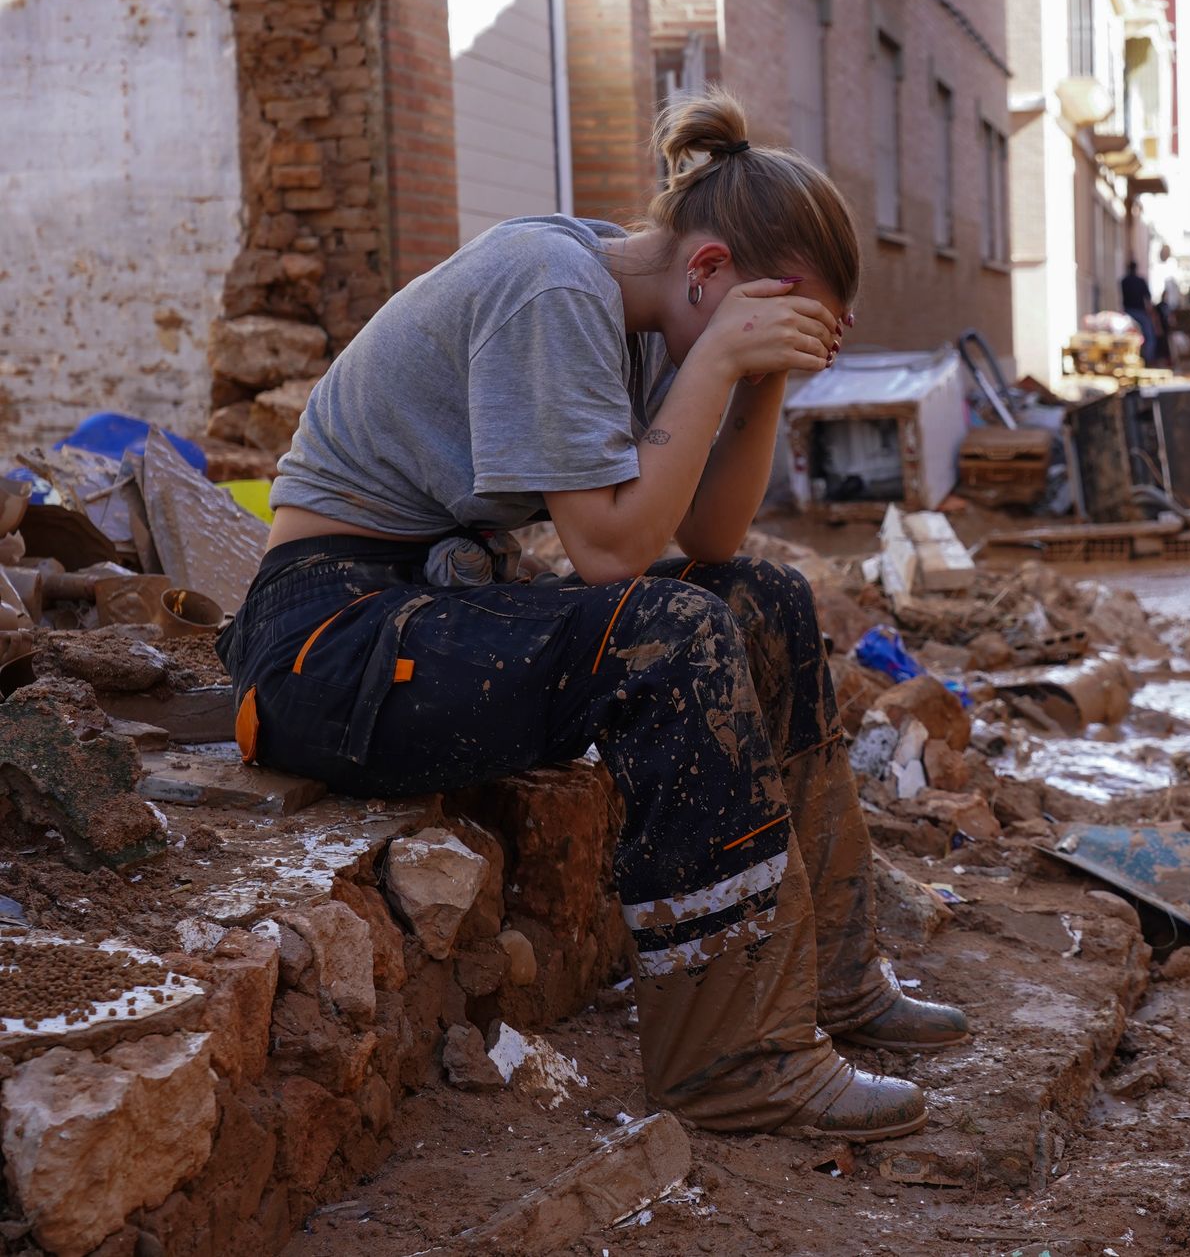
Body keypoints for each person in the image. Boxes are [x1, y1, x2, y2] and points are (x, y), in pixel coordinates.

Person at [220, 90, 965, 1142]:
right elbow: (611, 556)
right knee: (671, 634)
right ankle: (733, 1061)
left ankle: (836, 983)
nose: (762, 340)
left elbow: (708, 541)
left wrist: (756, 385)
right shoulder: (552, 288)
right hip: (326, 646)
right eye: (766, 313)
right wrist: (716, 358)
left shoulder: (659, 314)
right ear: (707, 270)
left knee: (763, 599)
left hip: (435, 606)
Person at [1121, 258, 1161, 365]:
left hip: (1128, 311)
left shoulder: (1124, 281)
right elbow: (1148, 298)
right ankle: (1148, 359)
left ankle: (1129, 359)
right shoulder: (1140, 281)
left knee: (1126, 335)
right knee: (1149, 335)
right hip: (1139, 312)